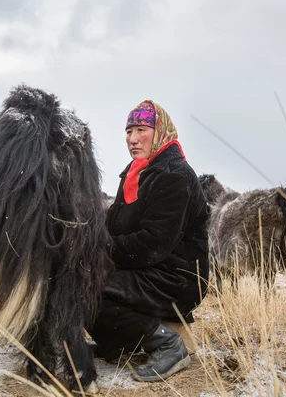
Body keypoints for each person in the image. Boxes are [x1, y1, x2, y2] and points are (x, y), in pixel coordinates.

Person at [87, 100, 210, 382]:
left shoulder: (174, 176)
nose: (131, 139)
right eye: (128, 131)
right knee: (78, 278)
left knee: (90, 287)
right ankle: (119, 346)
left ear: (161, 133)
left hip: (177, 276)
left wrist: (98, 249)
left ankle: (168, 345)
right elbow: (112, 226)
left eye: (141, 129)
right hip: (148, 268)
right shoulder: (135, 174)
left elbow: (152, 244)